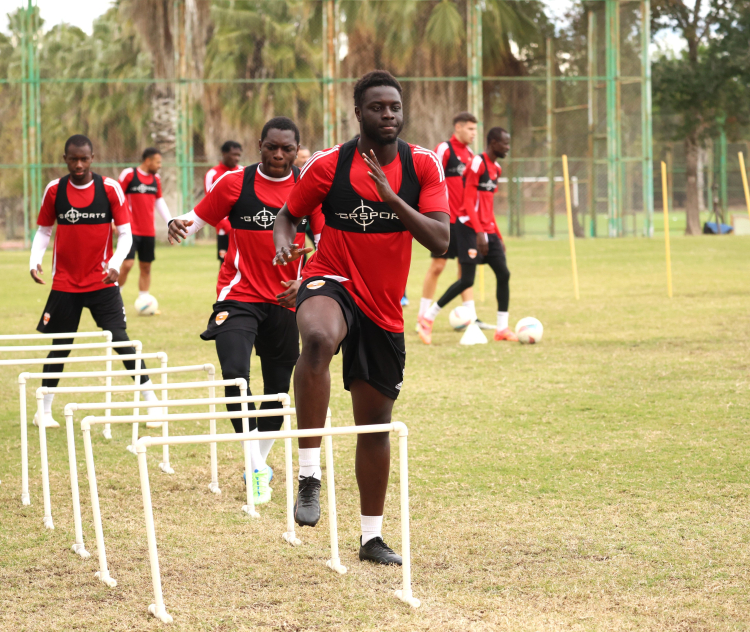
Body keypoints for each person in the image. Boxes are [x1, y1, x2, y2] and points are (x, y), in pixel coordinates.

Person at [273, 70, 450, 565]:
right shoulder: (329, 165)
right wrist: (283, 241)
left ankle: (371, 538)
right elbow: (289, 213)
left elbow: (440, 240)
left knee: (374, 425)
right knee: (318, 339)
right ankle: (309, 474)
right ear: (359, 113)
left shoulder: (424, 166)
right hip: (331, 278)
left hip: (383, 305)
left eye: (394, 106)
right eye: (377, 107)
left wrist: (393, 200)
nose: (388, 115)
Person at [167, 117, 322, 505]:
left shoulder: (309, 189)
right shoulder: (236, 183)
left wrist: (303, 284)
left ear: (297, 149)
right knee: (235, 374)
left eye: (287, 148)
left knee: (276, 392)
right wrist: (179, 223)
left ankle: (260, 462)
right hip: (238, 296)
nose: (279, 155)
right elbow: (197, 217)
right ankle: (255, 469)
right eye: (272, 147)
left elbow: (326, 245)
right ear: (260, 145)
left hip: (286, 300)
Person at [30, 135, 162, 428]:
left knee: (121, 340)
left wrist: (115, 265)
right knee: (60, 345)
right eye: (73, 159)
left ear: (93, 158)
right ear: (65, 159)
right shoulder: (54, 190)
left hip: (102, 281)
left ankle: (152, 403)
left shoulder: (110, 189)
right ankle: (45, 411)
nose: (79, 164)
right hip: (65, 283)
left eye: (84, 158)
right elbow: (43, 231)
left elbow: (125, 234)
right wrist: (34, 260)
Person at [418, 127, 517, 343]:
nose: (508, 147)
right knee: (466, 280)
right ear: (492, 143)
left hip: (487, 230)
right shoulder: (477, 163)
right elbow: (468, 201)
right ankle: (428, 317)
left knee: (504, 274)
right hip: (469, 228)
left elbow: (487, 205)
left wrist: (497, 235)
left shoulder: (497, 169)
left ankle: (502, 329)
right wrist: (479, 232)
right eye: (505, 143)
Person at [415, 112, 494, 332]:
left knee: (465, 268)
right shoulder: (444, 149)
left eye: (475, 130)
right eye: (470, 129)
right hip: (445, 221)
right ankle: (422, 316)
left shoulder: (471, 155)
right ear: (457, 128)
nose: (473, 133)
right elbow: (429, 176)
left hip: (465, 223)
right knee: (438, 266)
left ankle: (471, 317)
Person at [117, 148, 172, 295]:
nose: (160, 165)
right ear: (148, 161)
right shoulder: (129, 174)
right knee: (127, 264)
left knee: (146, 267)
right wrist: (114, 221)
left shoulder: (156, 179)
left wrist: (170, 222)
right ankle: (116, 296)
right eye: (158, 162)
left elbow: (159, 201)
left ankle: (144, 300)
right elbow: (116, 198)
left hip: (148, 231)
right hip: (129, 229)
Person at [206, 141, 244, 264]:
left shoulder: (244, 171)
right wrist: (227, 226)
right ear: (224, 153)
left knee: (245, 264)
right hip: (224, 229)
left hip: (243, 227)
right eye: (234, 155)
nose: (237, 158)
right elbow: (210, 203)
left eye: (239, 155)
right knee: (225, 264)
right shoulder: (212, 174)